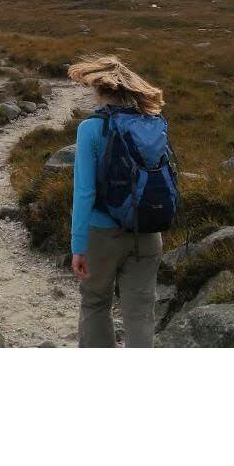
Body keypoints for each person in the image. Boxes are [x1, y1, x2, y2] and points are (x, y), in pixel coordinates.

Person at [66, 55, 167, 348]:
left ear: (99, 90)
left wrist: (78, 246)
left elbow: (84, 192)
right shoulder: (154, 123)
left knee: (96, 304)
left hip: (102, 234)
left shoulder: (90, 129)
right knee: (140, 312)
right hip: (147, 231)